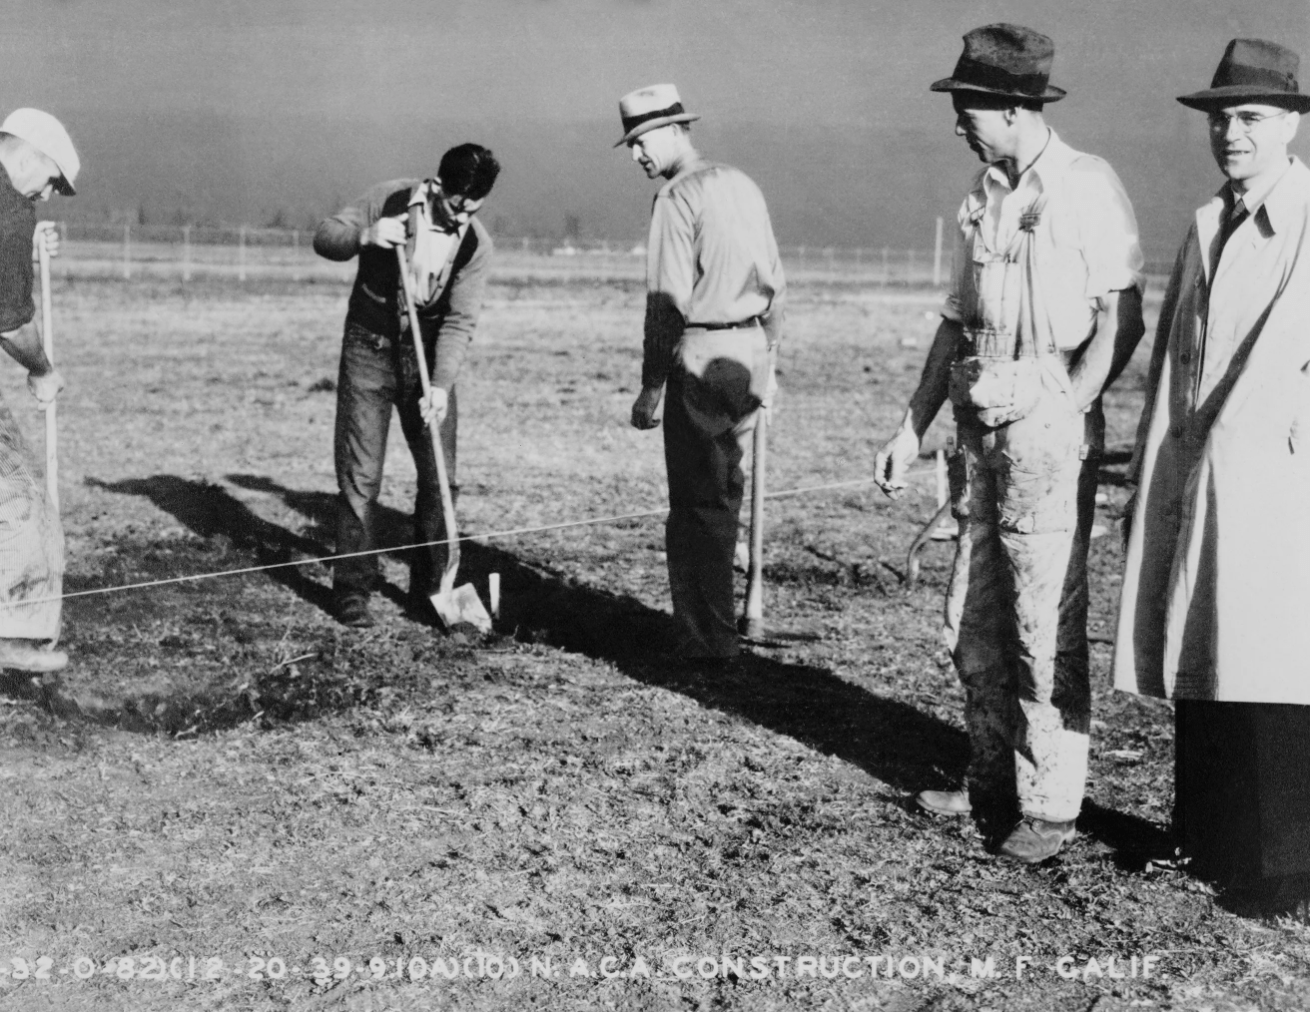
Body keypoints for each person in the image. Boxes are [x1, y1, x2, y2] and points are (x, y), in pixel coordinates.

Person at [873, 25, 1145, 862]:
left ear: (1018, 107)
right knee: (973, 610)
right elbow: (956, 323)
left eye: (970, 109)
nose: (960, 122)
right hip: (977, 420)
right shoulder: (984, 190)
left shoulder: (1086, 185)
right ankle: (988, 774)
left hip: (1046, 419)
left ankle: (1050, 805)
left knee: (1041, 618)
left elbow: (1120, 315)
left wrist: (1073, 402)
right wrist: (911, 426)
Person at [1113, 39, 1310, 910]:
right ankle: (1202, 837)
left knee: (1270, 663)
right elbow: (1172, 362)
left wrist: (1262, 445)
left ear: (1291, 128)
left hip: (1277, 474)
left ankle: (1281, 872)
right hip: (1197, 463)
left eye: (1253, 118)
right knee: (1201, 645)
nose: (1232, 133)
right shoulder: (1205, 224)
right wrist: (1159, 460)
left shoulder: (1306, 219)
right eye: (1222, 118)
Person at [619, 83, 785, 663]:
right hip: (751, 355)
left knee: (696, 509)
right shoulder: (742, 183)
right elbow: (778, 282)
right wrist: (771, 356)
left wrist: (650, 385)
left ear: (674, 131)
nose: (638, 154)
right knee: (725, 498)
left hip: (700, 358)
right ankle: (720, 628)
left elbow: (665, 303)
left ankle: (705, 642)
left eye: (643, 141)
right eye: (631, 144)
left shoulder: (676, 197)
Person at [313, 144, 499, 628]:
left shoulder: (476, 244)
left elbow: (460, 320)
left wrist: (440, 385)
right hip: (368, 347)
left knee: (441, 478)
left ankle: (433, 592)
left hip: (427, 356)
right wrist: (366, 236)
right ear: (438, 188)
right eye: (458, 205)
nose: (463, 216)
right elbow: (325, 237)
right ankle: (353, 589)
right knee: (361, 477)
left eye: (474, 209)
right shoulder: (388, 198)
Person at [0, 109, 78, 673]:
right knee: (19, 496)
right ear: (25, 154)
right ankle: (15, 631)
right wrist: (42, 370)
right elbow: (9, 322)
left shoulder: (12, 209)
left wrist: (24, 237)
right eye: (51, 180)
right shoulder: (9, 208)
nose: (47, 195)